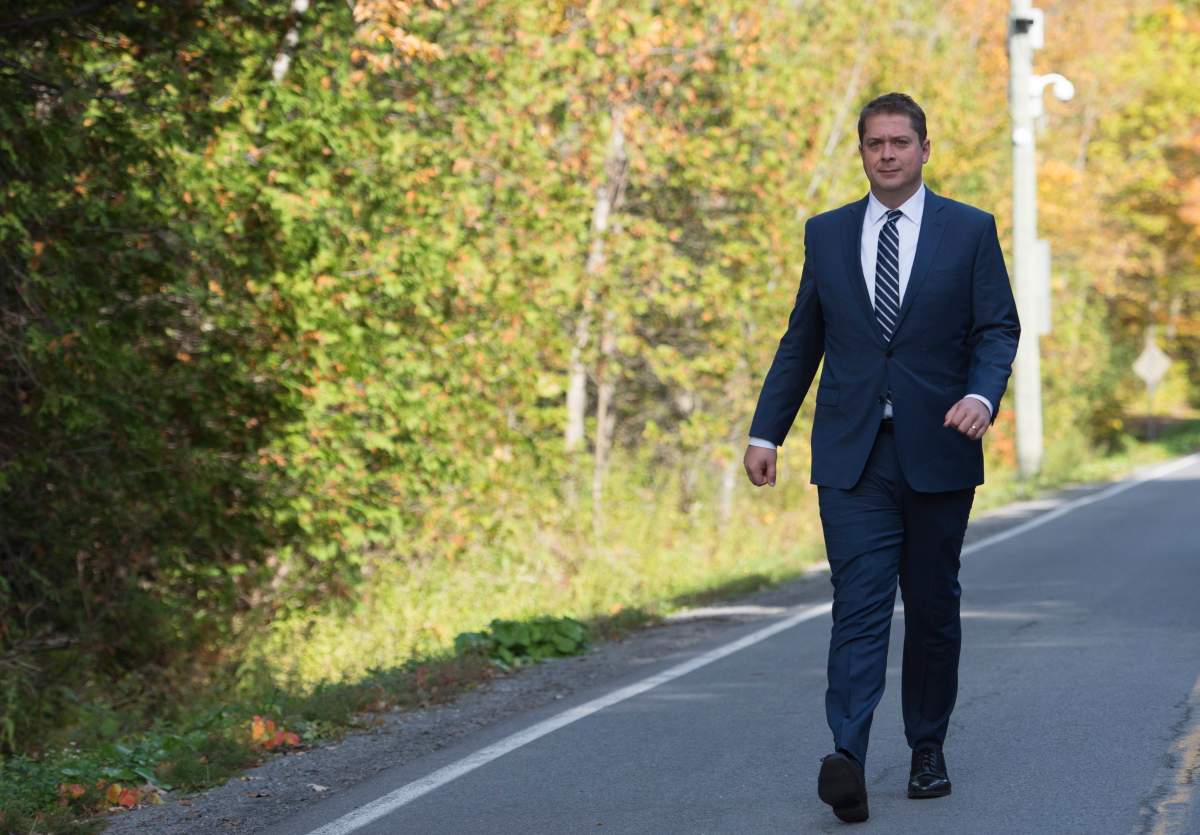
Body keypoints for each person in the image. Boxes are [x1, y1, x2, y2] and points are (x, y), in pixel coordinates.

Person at [742, 92, 1020, 824]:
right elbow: (802, 340)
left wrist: (982, 396)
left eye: (901, 141)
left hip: (939, 450)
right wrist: (766, 432)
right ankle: (849, 757)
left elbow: (998, 328)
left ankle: (927, 747)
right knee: (859, 603)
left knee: (931, 606)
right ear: (862, 152)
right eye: (875, 143)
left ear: (925, 149)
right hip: (853, 455)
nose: (888, 153)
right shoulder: (827, 233)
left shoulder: (969, 230)